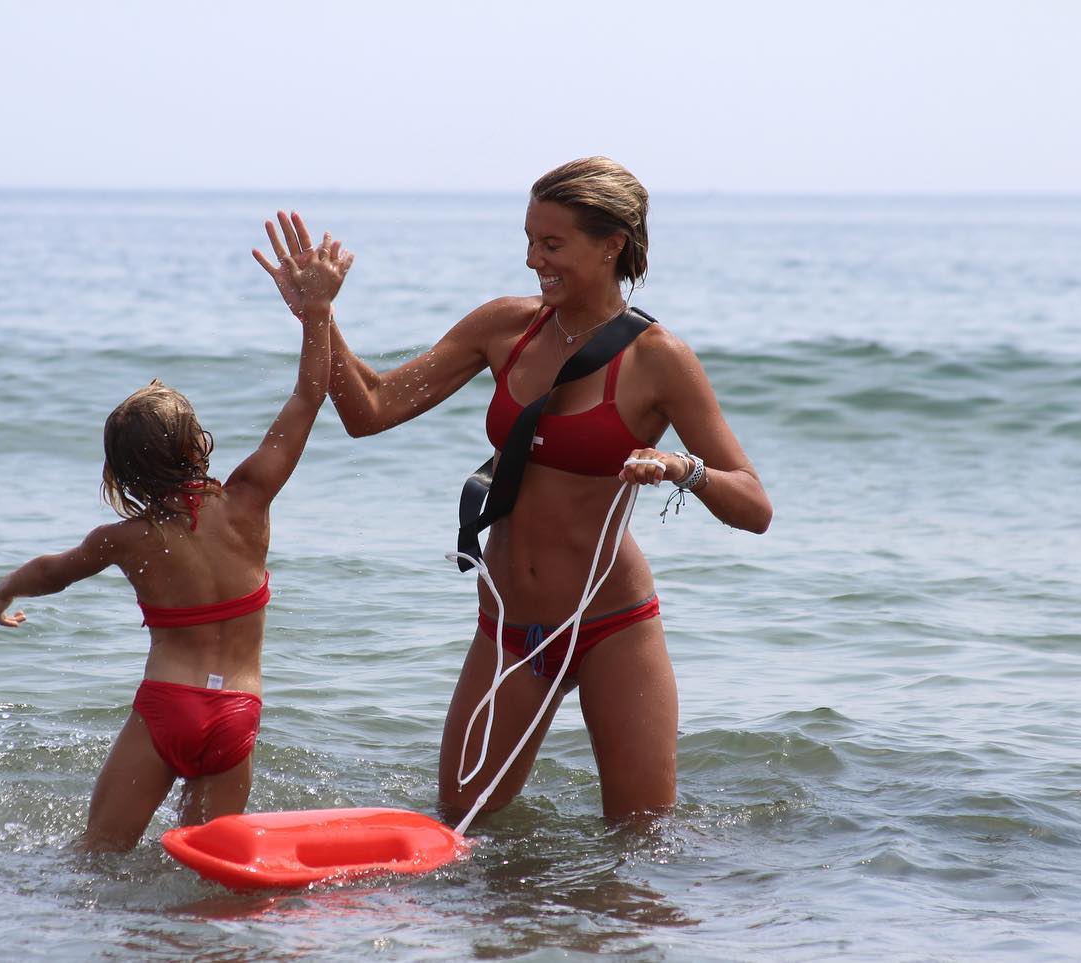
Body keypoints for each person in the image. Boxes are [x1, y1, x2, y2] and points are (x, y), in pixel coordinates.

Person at [255, 159, 771, 823]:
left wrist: (683, 469)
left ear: (611, 243)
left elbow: (754, 504)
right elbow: (370, 409)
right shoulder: (505, 326)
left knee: (641, 847)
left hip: (613, 626)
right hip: (510, 630)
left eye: (551, 244)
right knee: (463, 832)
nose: (533, 260)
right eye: (528, 240)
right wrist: (318, 315)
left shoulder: (657, 358)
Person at [0, 233, 352, 852]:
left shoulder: (125, 540)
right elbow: (309, 396)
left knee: (97, 854)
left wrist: (3, 592)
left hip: (167, 709)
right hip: (237, 710)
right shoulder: (248, 501)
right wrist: (318, 312)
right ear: (196, 442)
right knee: (209, 860)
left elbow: (54, 571)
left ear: (120, 473)